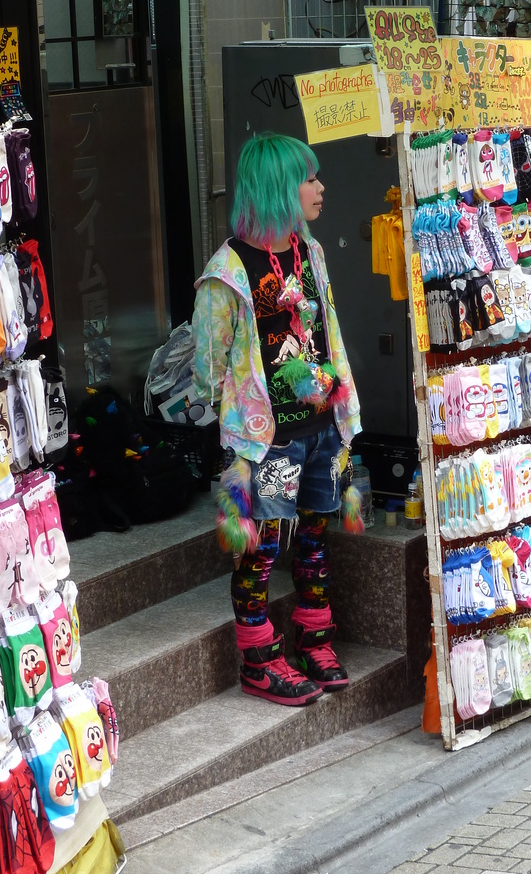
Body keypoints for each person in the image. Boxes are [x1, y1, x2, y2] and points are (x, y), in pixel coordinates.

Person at [192, 133, 361, 707]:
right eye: (307, 179)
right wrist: (242, 411)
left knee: (314, 535)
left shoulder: (307, 252)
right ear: (275, 189)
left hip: (319, 429)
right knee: (260, 548)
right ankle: (258, 658)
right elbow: (207, 365)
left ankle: (314, 637)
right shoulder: (227, 270)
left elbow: (326, 333)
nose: (319, 188)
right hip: (267, 442)